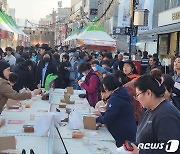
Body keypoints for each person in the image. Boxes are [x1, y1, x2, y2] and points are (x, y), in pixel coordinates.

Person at [131, 69, 180, 154]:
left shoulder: (167, 115)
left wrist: (141, 152)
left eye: (138, 95)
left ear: (148, 93)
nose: (137, 99)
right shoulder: (149, 110)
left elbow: (171, 149)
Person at [96, 75, 137, 147]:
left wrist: (96, 119)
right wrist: (102, 114)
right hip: (128, 130)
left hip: (122, 133)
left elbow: (107, 119)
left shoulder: (115, 98)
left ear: (106, 87)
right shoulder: (121, 92)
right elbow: (115, 112)